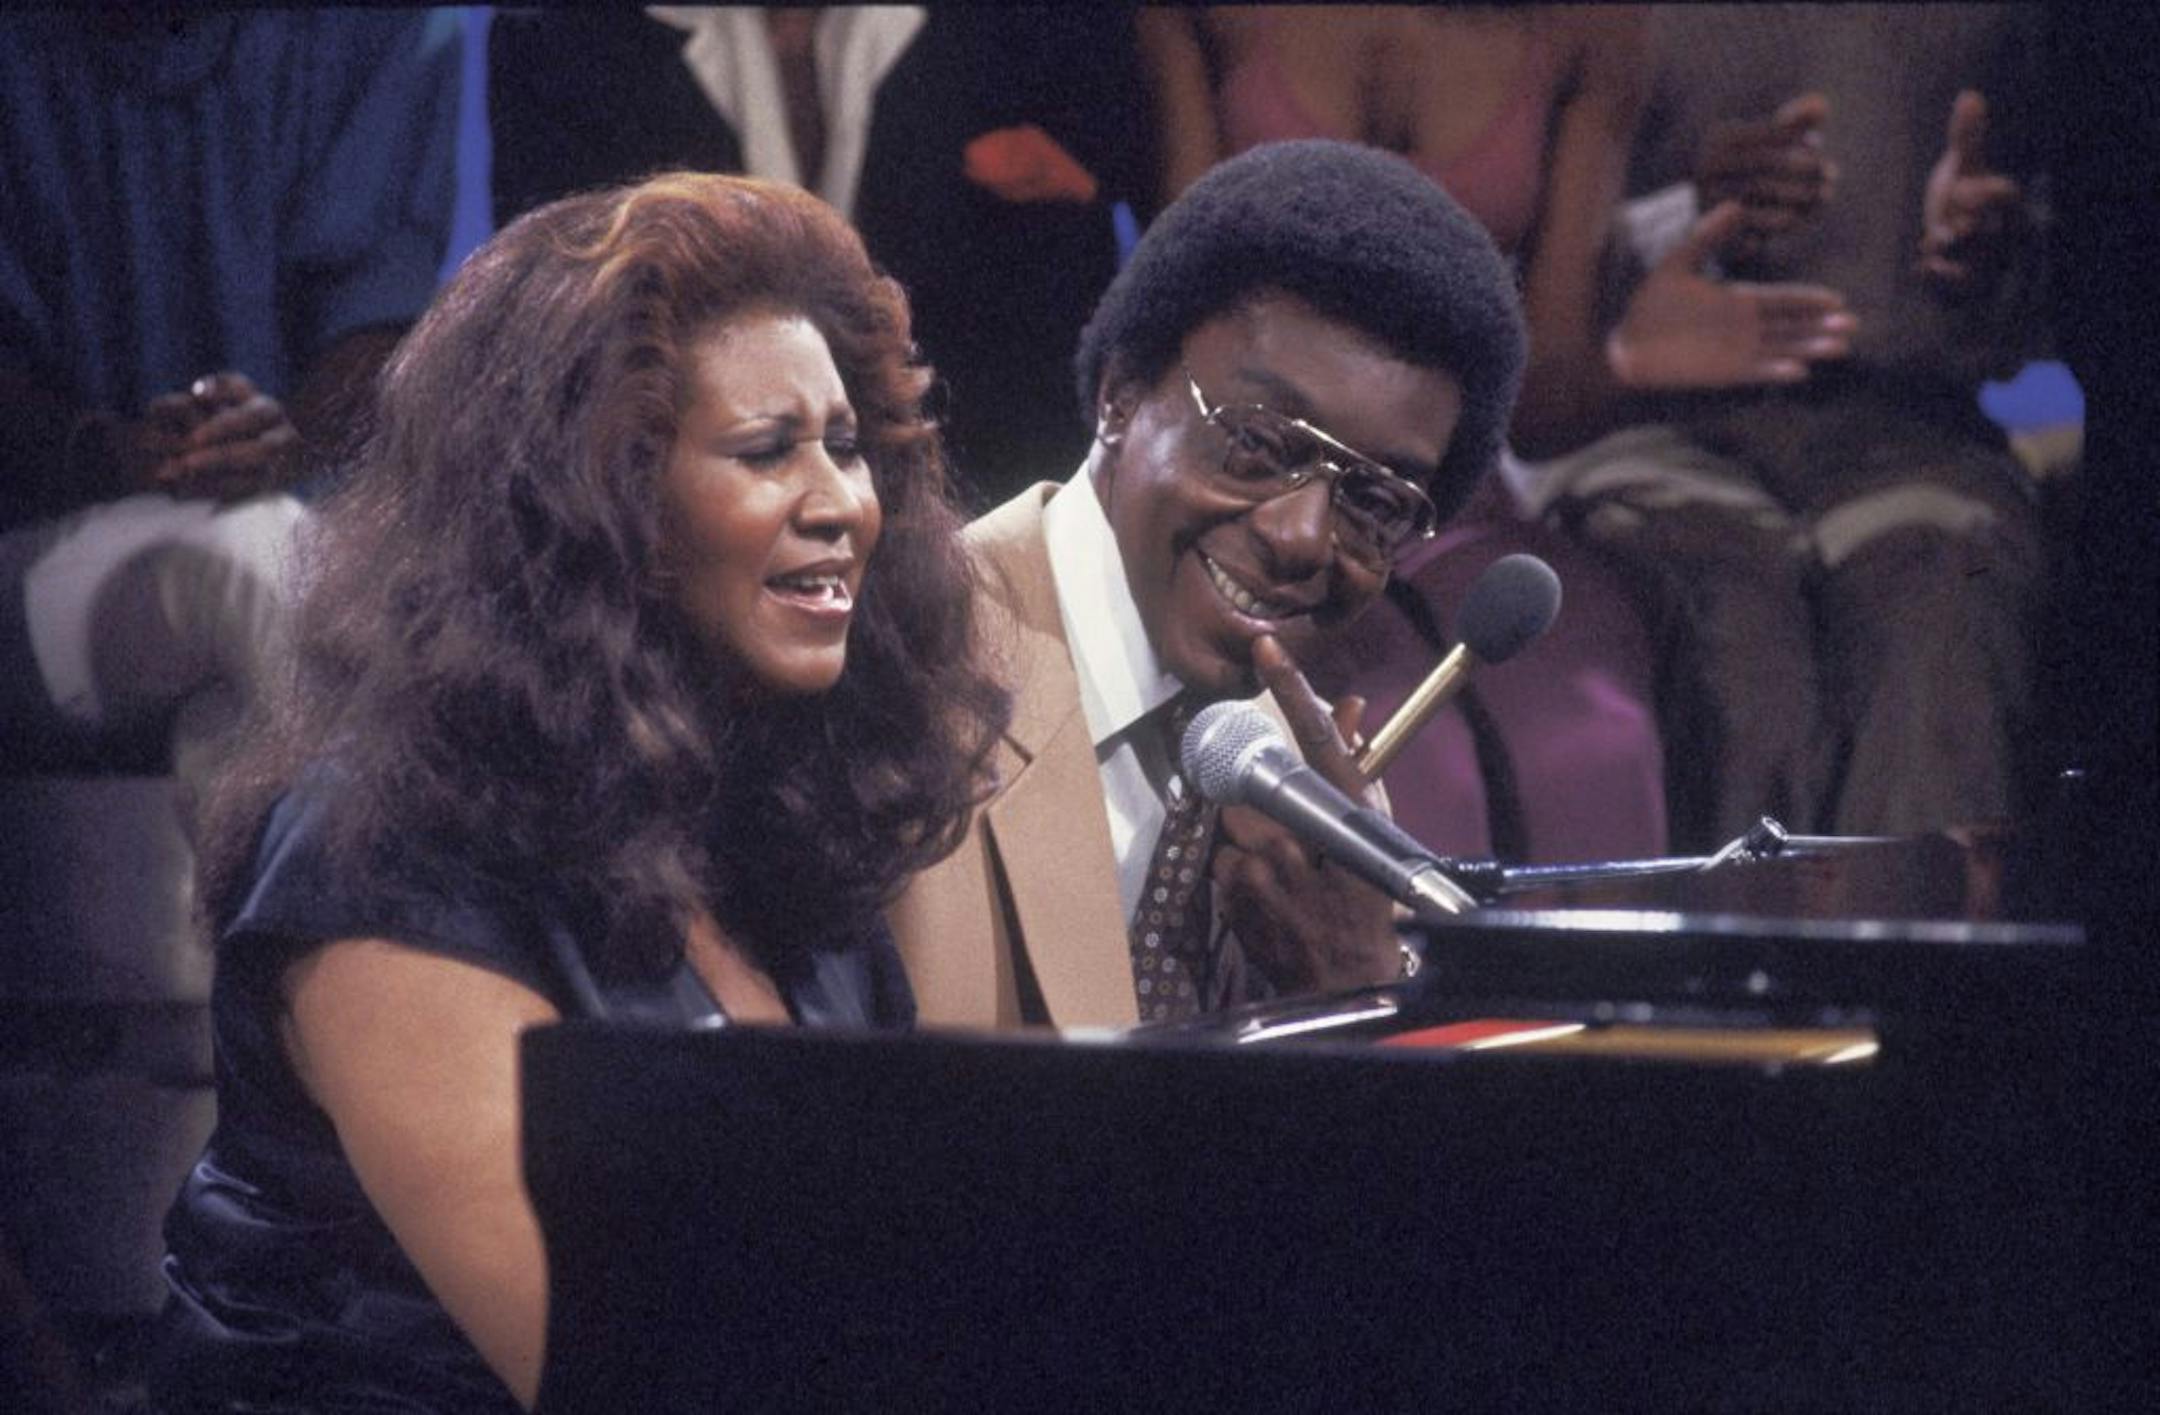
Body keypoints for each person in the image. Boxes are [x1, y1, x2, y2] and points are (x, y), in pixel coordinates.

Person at [151, 173, 1009, 1411]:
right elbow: (632, 1370)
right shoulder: (379, 861)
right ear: (602, 499)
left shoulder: (784, 838)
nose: (842, 504)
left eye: (849, 445)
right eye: (769, 452)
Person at [1134, 6, 1851, 864]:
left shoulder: (1593, 31)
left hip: (1443, 499)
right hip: (1244, 479)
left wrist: (1622, 364)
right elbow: (1171, 309)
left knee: (1595, 739)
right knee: (1417, 771)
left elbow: (1541, 398)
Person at [888, 139, 1526, 1030]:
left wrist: (1356, 977)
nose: (1301, 535)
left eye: (1374, 500)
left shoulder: (1309, 809)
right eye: (1260, 445)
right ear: (1120, 394)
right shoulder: (898, 672)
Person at [1529, 3, 2052, 845]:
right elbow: (1535, 304)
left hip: (1907, 427)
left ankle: (1908, 966)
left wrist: (1992, 250)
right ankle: (1728, 967)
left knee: (1944, 605)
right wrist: (1690, 210)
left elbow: (2065, 307)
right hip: (1647, 426)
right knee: (1733, 644)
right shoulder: (1613, 29)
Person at [0, 9, 461, 810]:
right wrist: (117, 453)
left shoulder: (367, 28)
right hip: (37, 558)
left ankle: (285, 932)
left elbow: (378, 335)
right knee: (256, 560)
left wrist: (279, 442)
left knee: (252, 699)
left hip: (306, 544)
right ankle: (392, 926)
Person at [488, 6, 1146, 511]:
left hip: (978, 505)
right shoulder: (560, 42)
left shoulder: (1033, 32)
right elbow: (569, 348)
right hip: (678, 537)